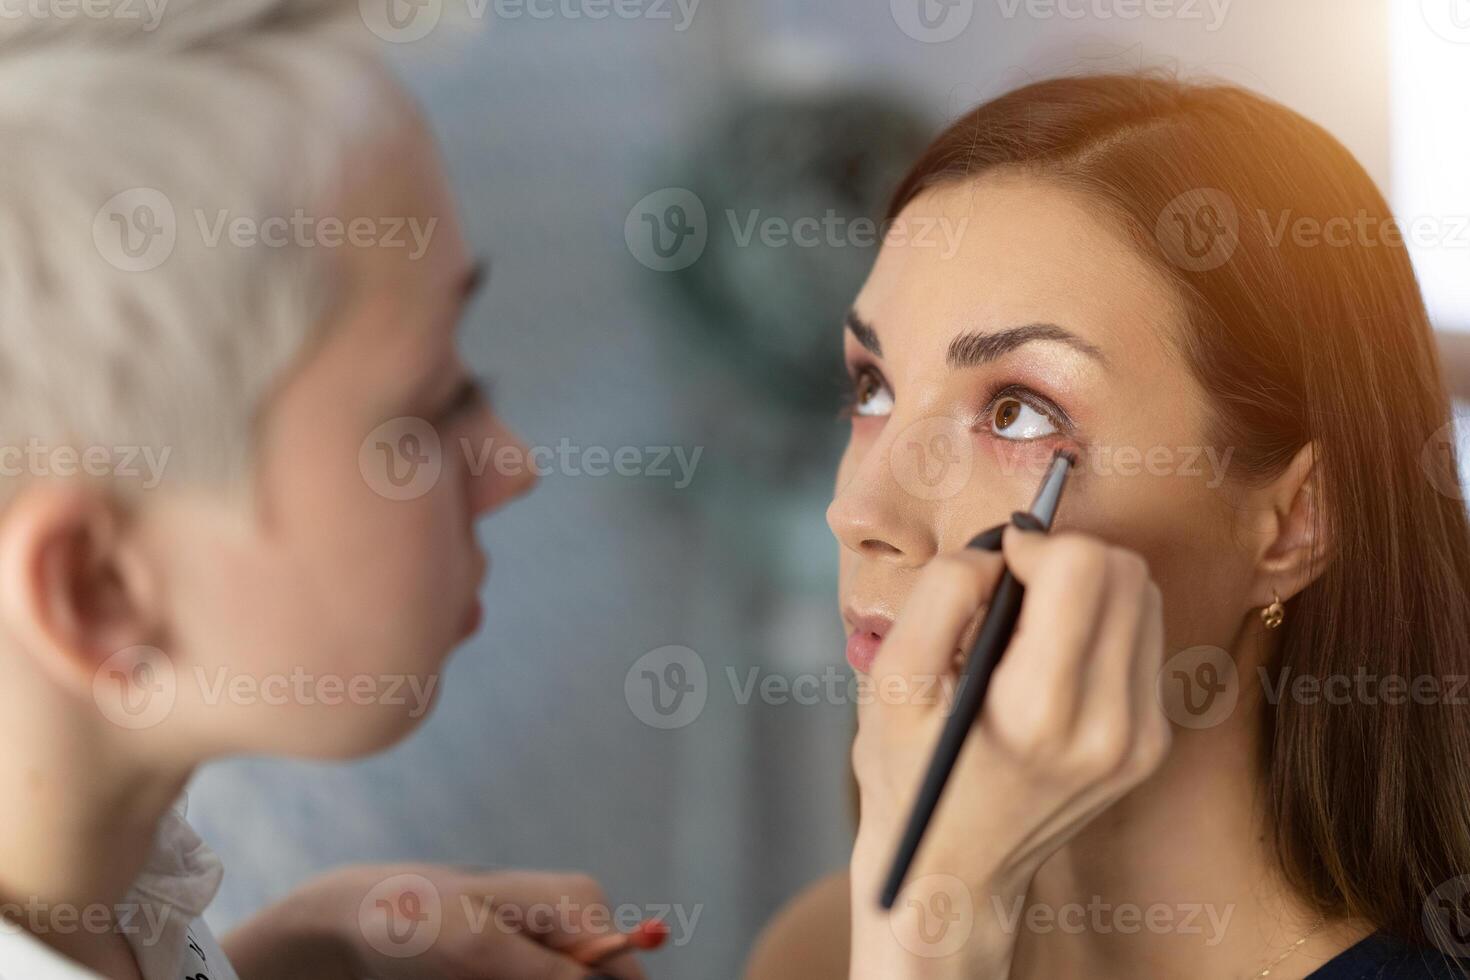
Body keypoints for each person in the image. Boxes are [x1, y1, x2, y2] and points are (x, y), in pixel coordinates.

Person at [748, 74, 1470, 979]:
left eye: (1016, 411)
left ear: (1294, 523)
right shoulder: (819, 951)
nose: (858, 514)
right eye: (874, 388)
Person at [0, 2, 645, 977]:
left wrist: (284, 957)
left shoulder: (100, 891)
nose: (512, 464)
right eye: (436, 405)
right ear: (100, 586)